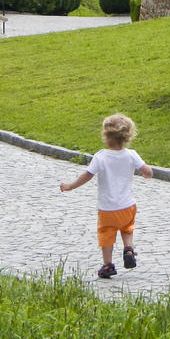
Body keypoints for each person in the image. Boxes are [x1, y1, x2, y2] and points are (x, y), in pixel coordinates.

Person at [60, 113, 153, 278]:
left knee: (106, 235)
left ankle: (108, 265)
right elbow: (147, 172)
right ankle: (129, 249)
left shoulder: (100, 157)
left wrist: (71, 186)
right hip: (128, 205)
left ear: (106, 136)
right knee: (127, 228)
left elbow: (87, 175)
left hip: (107, 208)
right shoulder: (131, 154)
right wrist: (147, 173)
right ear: (127, 137)